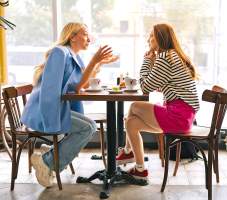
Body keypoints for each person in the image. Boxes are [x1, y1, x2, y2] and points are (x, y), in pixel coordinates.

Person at [21, 22, 118, 187]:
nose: (89, 38)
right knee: (88, 128)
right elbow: (53, 89)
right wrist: (95, 60)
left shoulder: (74, 56)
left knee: (90, 126)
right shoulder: (60, 53)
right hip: (45, 109)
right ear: (72, 37)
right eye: (85, 34)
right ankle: (47, 161)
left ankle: (51, 154)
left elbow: (82, 85)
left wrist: (98, 63)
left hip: (58, 107)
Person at [116, 23, 200, 181]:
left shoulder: (166, 57)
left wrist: (147, 61)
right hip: (184, 116)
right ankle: (140, 169)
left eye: (152, 35)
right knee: (131, 123)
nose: (149, 39)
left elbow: (146, 87)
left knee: (134, 106)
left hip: (178, 116)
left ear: (161, 38)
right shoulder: (173, 55)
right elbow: (164, 84)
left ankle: (127, 152)